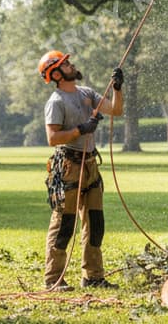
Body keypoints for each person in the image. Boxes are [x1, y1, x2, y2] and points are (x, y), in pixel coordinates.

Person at [38, 50, 124, 290]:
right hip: (68, 167)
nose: (72, 64)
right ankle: (53, 279)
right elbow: (53, 138)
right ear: (55, 73)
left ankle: (93, 277)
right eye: (66, 64)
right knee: (65, 223)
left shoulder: (86, 93)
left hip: (90, 166)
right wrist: (81, 129)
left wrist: (117, 88)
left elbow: (116, 110)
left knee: (95, 222)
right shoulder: (56, 101)